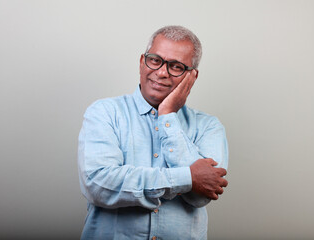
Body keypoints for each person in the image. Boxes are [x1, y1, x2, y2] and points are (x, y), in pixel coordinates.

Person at [78, 25, 228, 240]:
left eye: (176, 66)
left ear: (192, 76)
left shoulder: (209, 127)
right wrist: (187, 177)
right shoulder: (104, 112)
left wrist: (167, 116)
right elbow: (99, 185)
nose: (161, 72)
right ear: (142, 61)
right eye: (155, 60)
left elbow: (200, 196)